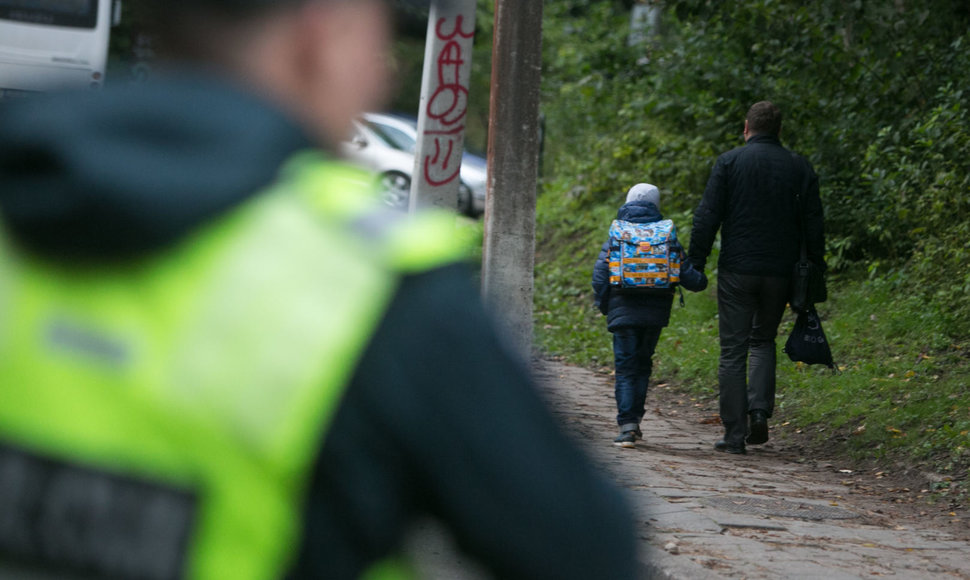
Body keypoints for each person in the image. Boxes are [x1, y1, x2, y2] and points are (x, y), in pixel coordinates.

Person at [0, 1, 638, 579]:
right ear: (320, 35)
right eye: (376, 40)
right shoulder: (374, 285)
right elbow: (587, 550)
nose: (382, 77)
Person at [687, 101, 825, 455]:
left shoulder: (730, 162)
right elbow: (814, 225)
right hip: (780, 273)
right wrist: (816, 274)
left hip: (737, 270)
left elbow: (707, 216)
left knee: (732, 351)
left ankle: (735, 435)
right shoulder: (798, 165)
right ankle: (759, 411)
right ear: (779, 131)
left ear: (746, 128)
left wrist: (695, 264)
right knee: (762, 341)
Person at [592, 183, 708, 448]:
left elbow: (600, 275)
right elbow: (689, 276)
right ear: (656, 204)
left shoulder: (618, 234)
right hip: (655, 312)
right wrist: (702, 280)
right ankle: (636, 420)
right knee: (643, 365)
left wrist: (604, 304)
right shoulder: (665, 234)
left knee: (625, 369)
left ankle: (627, 425)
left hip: (623, 309)